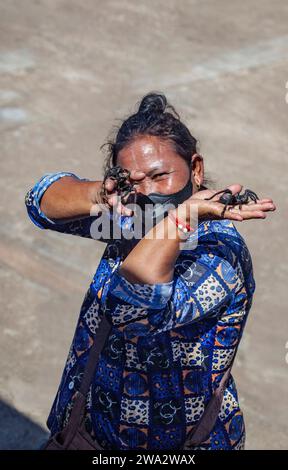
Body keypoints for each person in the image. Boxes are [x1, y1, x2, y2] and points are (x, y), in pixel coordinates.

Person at [25, 93, 276, 450]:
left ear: (197, 169)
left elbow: (134, 307)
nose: (148, 193)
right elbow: (40, 202)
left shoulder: (220, 251)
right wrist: (102, 194)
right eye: (132, 182)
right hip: (94, 433)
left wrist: (180, 218)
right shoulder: (130, 216)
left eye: (160, 176)